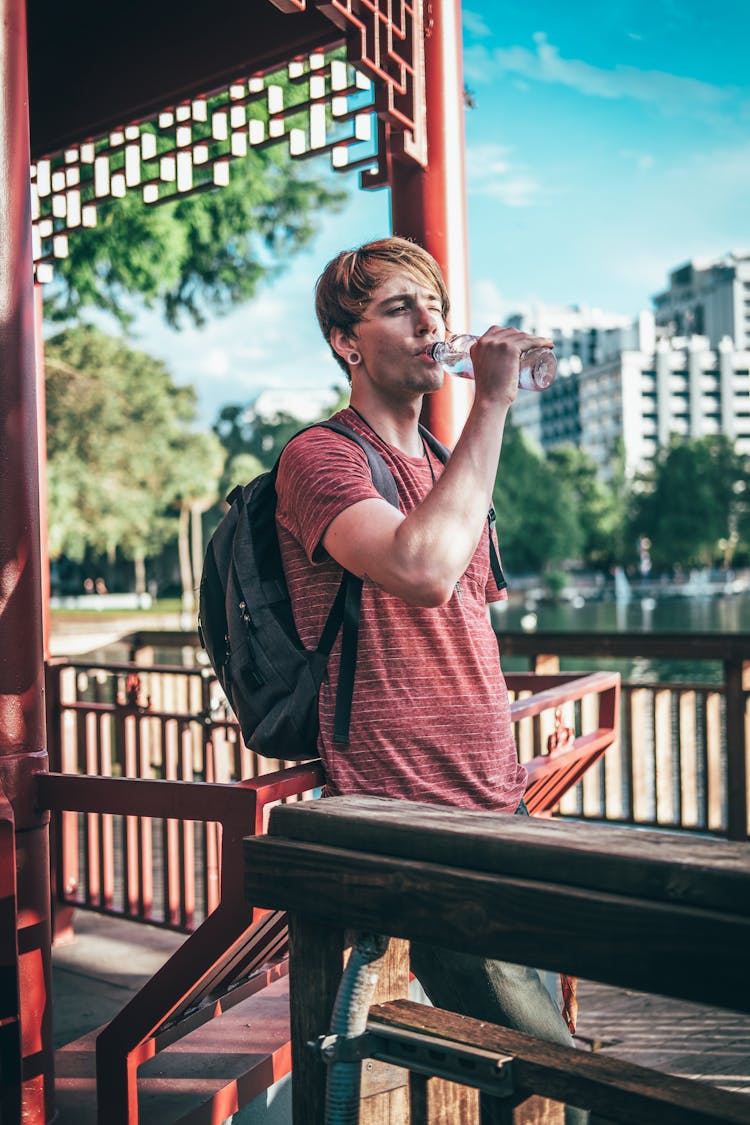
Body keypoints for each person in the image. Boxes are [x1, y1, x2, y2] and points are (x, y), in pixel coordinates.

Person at [275, 236, 587, 1124]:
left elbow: (465, 623)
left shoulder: (450, 458)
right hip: (413, 817)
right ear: (346, 341)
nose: (431, 324)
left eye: (435, 307)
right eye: (399, 308)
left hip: (497, 800)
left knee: (516, 1069)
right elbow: (420, 571)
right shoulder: (321, 459)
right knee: (557, 1070)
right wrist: (493, 399)